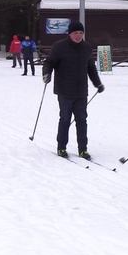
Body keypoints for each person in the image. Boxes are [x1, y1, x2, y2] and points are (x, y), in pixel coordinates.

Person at [42, 22, 104, 160]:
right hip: (64, 90)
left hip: (81, 90)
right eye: (75, 33)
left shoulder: (86, 48)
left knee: (82, 120)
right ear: (69, 33)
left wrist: (97, 83)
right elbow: (49, 62)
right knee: (65, 119)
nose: (78, 36)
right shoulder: (59, 47)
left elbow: (91, 68)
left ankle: (83, 149)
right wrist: (47, 73)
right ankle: (61, 147)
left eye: (81, 33)